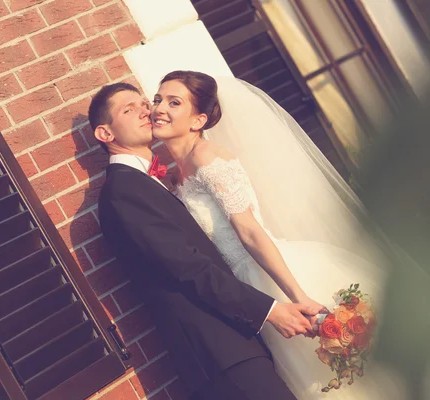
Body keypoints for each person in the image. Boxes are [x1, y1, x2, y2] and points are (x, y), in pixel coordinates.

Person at [150, 70, 430, 400]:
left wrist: (299, 298)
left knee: (347, 375)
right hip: (243, 287)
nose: (159, 108)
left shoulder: (207, 158)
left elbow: (250, 232)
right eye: (157, 99)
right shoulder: (173, 171)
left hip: (270, 276)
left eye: (173, 101)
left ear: (199, 118)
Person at [91, 82, 318, 400]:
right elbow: (187, 266)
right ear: (105, 134)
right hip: (216, 353)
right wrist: (268, 310)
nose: (146, 110)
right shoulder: (122, 192)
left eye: (145, 103)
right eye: (129, 109)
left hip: (233, 344)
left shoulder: (147, 181)